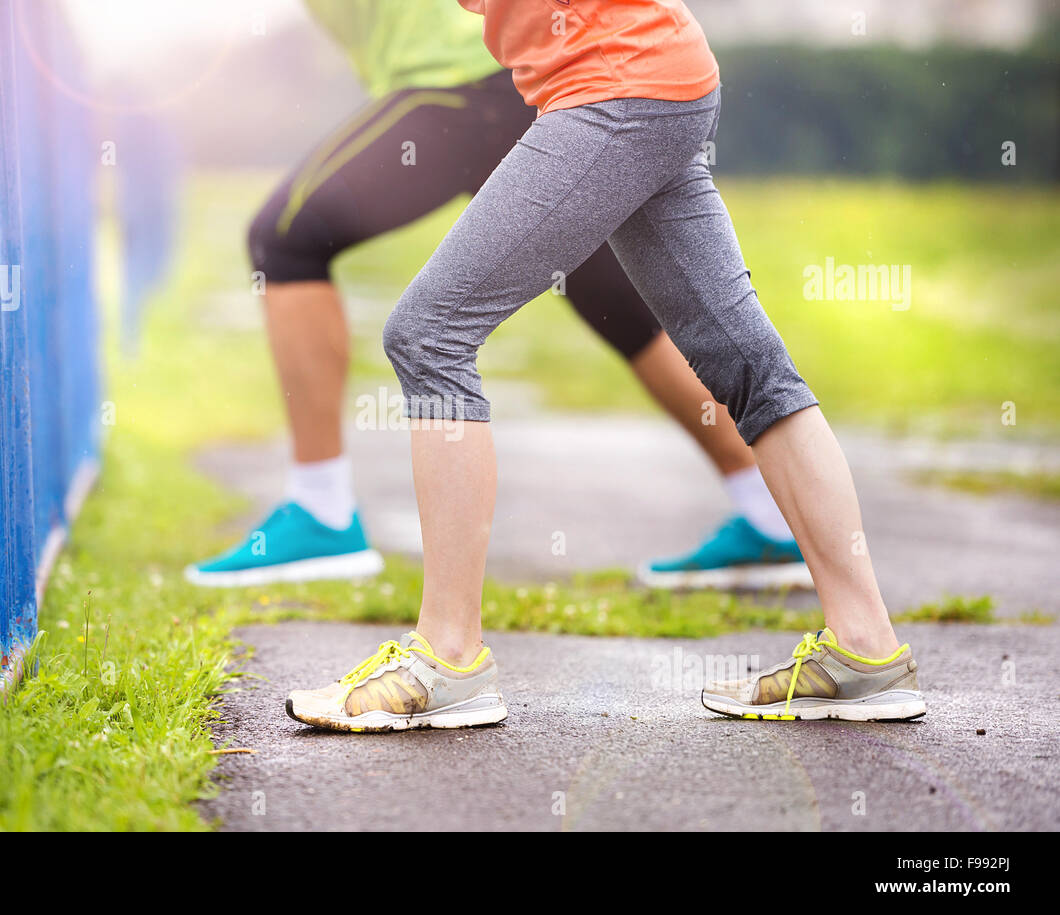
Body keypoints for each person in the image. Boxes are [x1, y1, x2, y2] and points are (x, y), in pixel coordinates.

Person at [285, 0, 926, 728]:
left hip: (614, 86)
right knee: (750, 364)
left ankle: (447, 657)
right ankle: (867, 650)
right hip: (653, 76)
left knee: (429, 333)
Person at [184, 0, 810, 592]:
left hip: (456, 85)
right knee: (620, 308)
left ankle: (320, 511)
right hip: (516, 81)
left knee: (286, 237)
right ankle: (771, 515)